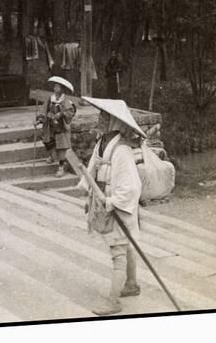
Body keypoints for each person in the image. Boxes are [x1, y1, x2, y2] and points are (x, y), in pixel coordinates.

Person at [78, 96, 145, 316]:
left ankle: (113, 301)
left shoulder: (122, 151)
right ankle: (132, 284)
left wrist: (113, 202)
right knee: (126, 244)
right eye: (100, 115)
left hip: (118, 205)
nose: (100, 119)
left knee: (118, 250)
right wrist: (88, 192)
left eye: (104, 117)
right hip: (104, 200)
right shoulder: (102, 143)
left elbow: (131, 187)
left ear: (114, 123)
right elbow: (92, 169)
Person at [36, 76, 76, 177]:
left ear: (62, 89)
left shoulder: (66, 100)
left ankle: (61, 167)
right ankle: (52, 156)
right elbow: (44, 109)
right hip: (50, 125)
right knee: (48, 140)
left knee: (61, 147)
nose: (55, 88)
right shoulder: (51, 98)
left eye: (58, 87)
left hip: (61, 126)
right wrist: (40, 119)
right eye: (55, 86)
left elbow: (71, 111)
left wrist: (61, 114)